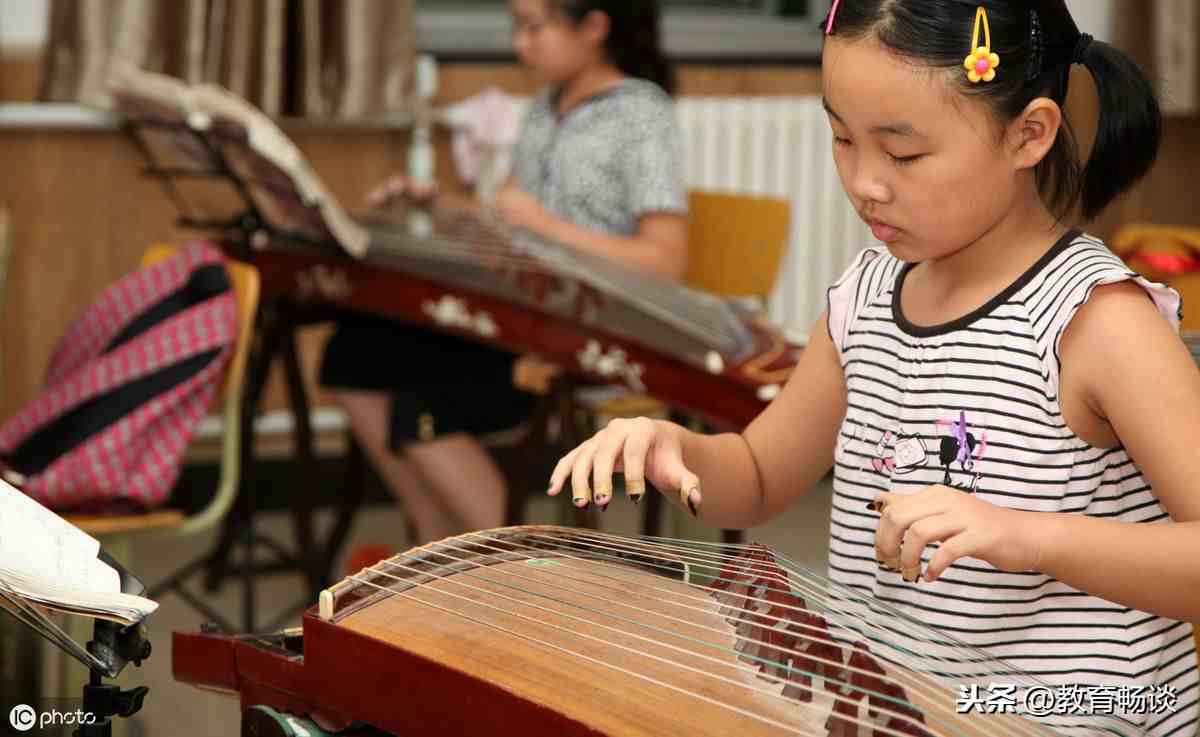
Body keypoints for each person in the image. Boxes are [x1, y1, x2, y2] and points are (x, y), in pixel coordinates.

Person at [547, 1, 1199, 734]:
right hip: (906, 714)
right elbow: (760, 474)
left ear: (1029, 134)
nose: (864, 183)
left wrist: (1022, 534)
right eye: (841, 138)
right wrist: (675, 450)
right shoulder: (866, 297)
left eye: (904, 153)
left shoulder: (1096, 319)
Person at [321, 0, 689, 546]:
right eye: (516, 27)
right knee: (351, 354)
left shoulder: (642, 113)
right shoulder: (545, 107)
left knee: (424, 400)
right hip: (521, 313)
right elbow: (514, 220)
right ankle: (434, 539)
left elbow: (666, 261)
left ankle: (516, 565)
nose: (522, 45)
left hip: (588, 332)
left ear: (593, 27)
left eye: (536, 27)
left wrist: (546, 228)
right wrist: (440, 206)